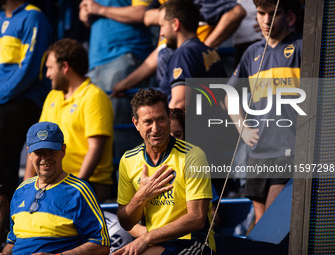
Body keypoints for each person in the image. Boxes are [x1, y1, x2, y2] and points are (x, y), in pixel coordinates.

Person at [113, 88, 215, 255]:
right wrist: (141, 196)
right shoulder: (128, 159)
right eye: (148, 122)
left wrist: (146, 238)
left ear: (169, 118)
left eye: (161, 119)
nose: (156, 128)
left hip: (192, 243)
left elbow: (197, 218)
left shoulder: (193, 155)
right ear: (136, 123)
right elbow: (126, 222)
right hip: (155, 243)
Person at [227, 0, 302, 224]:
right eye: (261, 13)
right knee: (261, 225)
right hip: (258, 152)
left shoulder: (301, 47)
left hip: (289, 148)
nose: (266, 20)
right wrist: (243, 128)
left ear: (289, 17)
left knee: (272, 221)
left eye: (273, 14)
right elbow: (229, 93)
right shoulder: (252, 53)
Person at [0, 122, 110, 254]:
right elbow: (13, 241)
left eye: (51, 151)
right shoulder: (21, 190)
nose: (46, 158)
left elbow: (102, 245)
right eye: (39, 152)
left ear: (63, 150)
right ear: (29, 154)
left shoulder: (79, 191)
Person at [24, 38, 115, 203]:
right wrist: (27, 185)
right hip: (53, 180)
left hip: (88, 183)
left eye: (50, 68)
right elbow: (35, 142)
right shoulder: (53, 96)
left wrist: (76, 187)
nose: (47, 74)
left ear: (65, 67)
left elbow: (96, 148)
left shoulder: (94, 96)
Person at [0, 0, 51, 251]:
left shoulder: (33, 17)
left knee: (2, 161)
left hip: (21, 100)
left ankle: (4, 228)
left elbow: (28, 70)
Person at [111, 0, 246, 98]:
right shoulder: (180, 47)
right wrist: (127, 83)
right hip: (204, 126)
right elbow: (147, 18)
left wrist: (202, 48)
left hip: (187, 126)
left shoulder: (185, 53)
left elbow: (179, 102)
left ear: (175, 24)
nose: (161, 32)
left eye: (162, 26)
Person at [79, 0, 152, 159]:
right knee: (96, 131)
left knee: (123, 133)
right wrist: (86, 16)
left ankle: (130, 182)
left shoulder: (100, 6)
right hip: (95, 64)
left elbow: (143, 12)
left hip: (124, 56)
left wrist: (100, 9)